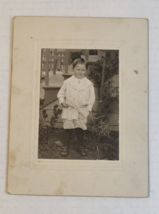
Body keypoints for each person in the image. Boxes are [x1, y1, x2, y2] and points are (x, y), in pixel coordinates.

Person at [57, 58, 95, 157]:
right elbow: (60, 94)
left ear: (86, 70)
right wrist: (62, 102)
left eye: (83, 70)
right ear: (73, 69)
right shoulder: (68, 82)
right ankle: (65, 146)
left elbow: (92, 98)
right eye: (78, 69)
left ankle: (80, 146)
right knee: (68, 129)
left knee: (80, 129)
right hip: (69, 109)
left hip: (81, 111)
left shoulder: (89, 84)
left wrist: (88, 109)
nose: (80, 72)